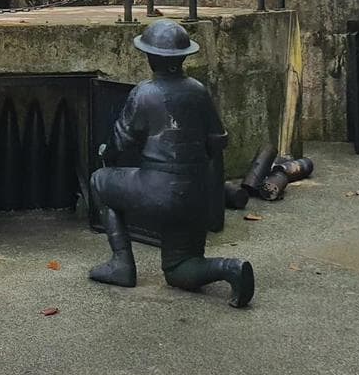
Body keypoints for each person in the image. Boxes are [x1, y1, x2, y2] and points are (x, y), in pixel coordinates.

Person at [89, 18, 254, 307]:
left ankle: (121, 264)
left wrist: (107, 156)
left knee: (99, 182)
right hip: (195, 193)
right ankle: (231, 268)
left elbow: (119, 142)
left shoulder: (143, 93)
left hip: (158, 189)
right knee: (179, 269)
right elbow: (218, 141)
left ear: (151, 57)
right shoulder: (199, 91)